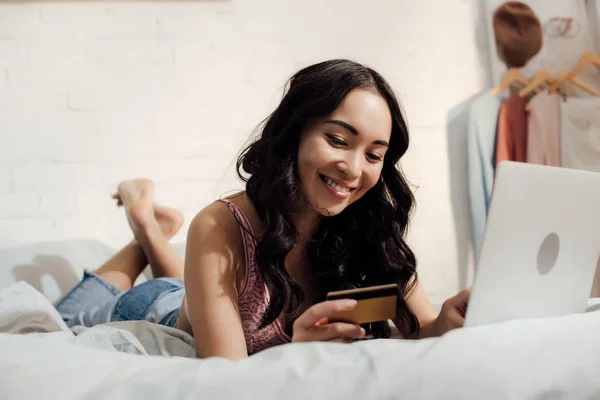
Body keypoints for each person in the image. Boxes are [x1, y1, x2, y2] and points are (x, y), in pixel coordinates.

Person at [56, 59, 470, 360]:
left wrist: (448, 321)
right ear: (295, 134)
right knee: (67, 316)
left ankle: (151, 230)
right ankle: (144, 223)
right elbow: (228, 378)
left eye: (375, 155)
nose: (354, 168)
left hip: (198, 293)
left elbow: (424, 330)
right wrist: (296, 349)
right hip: (152, 309)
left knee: (186, 286)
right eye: (339, 140)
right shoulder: (220, 223)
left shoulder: (369, 230)